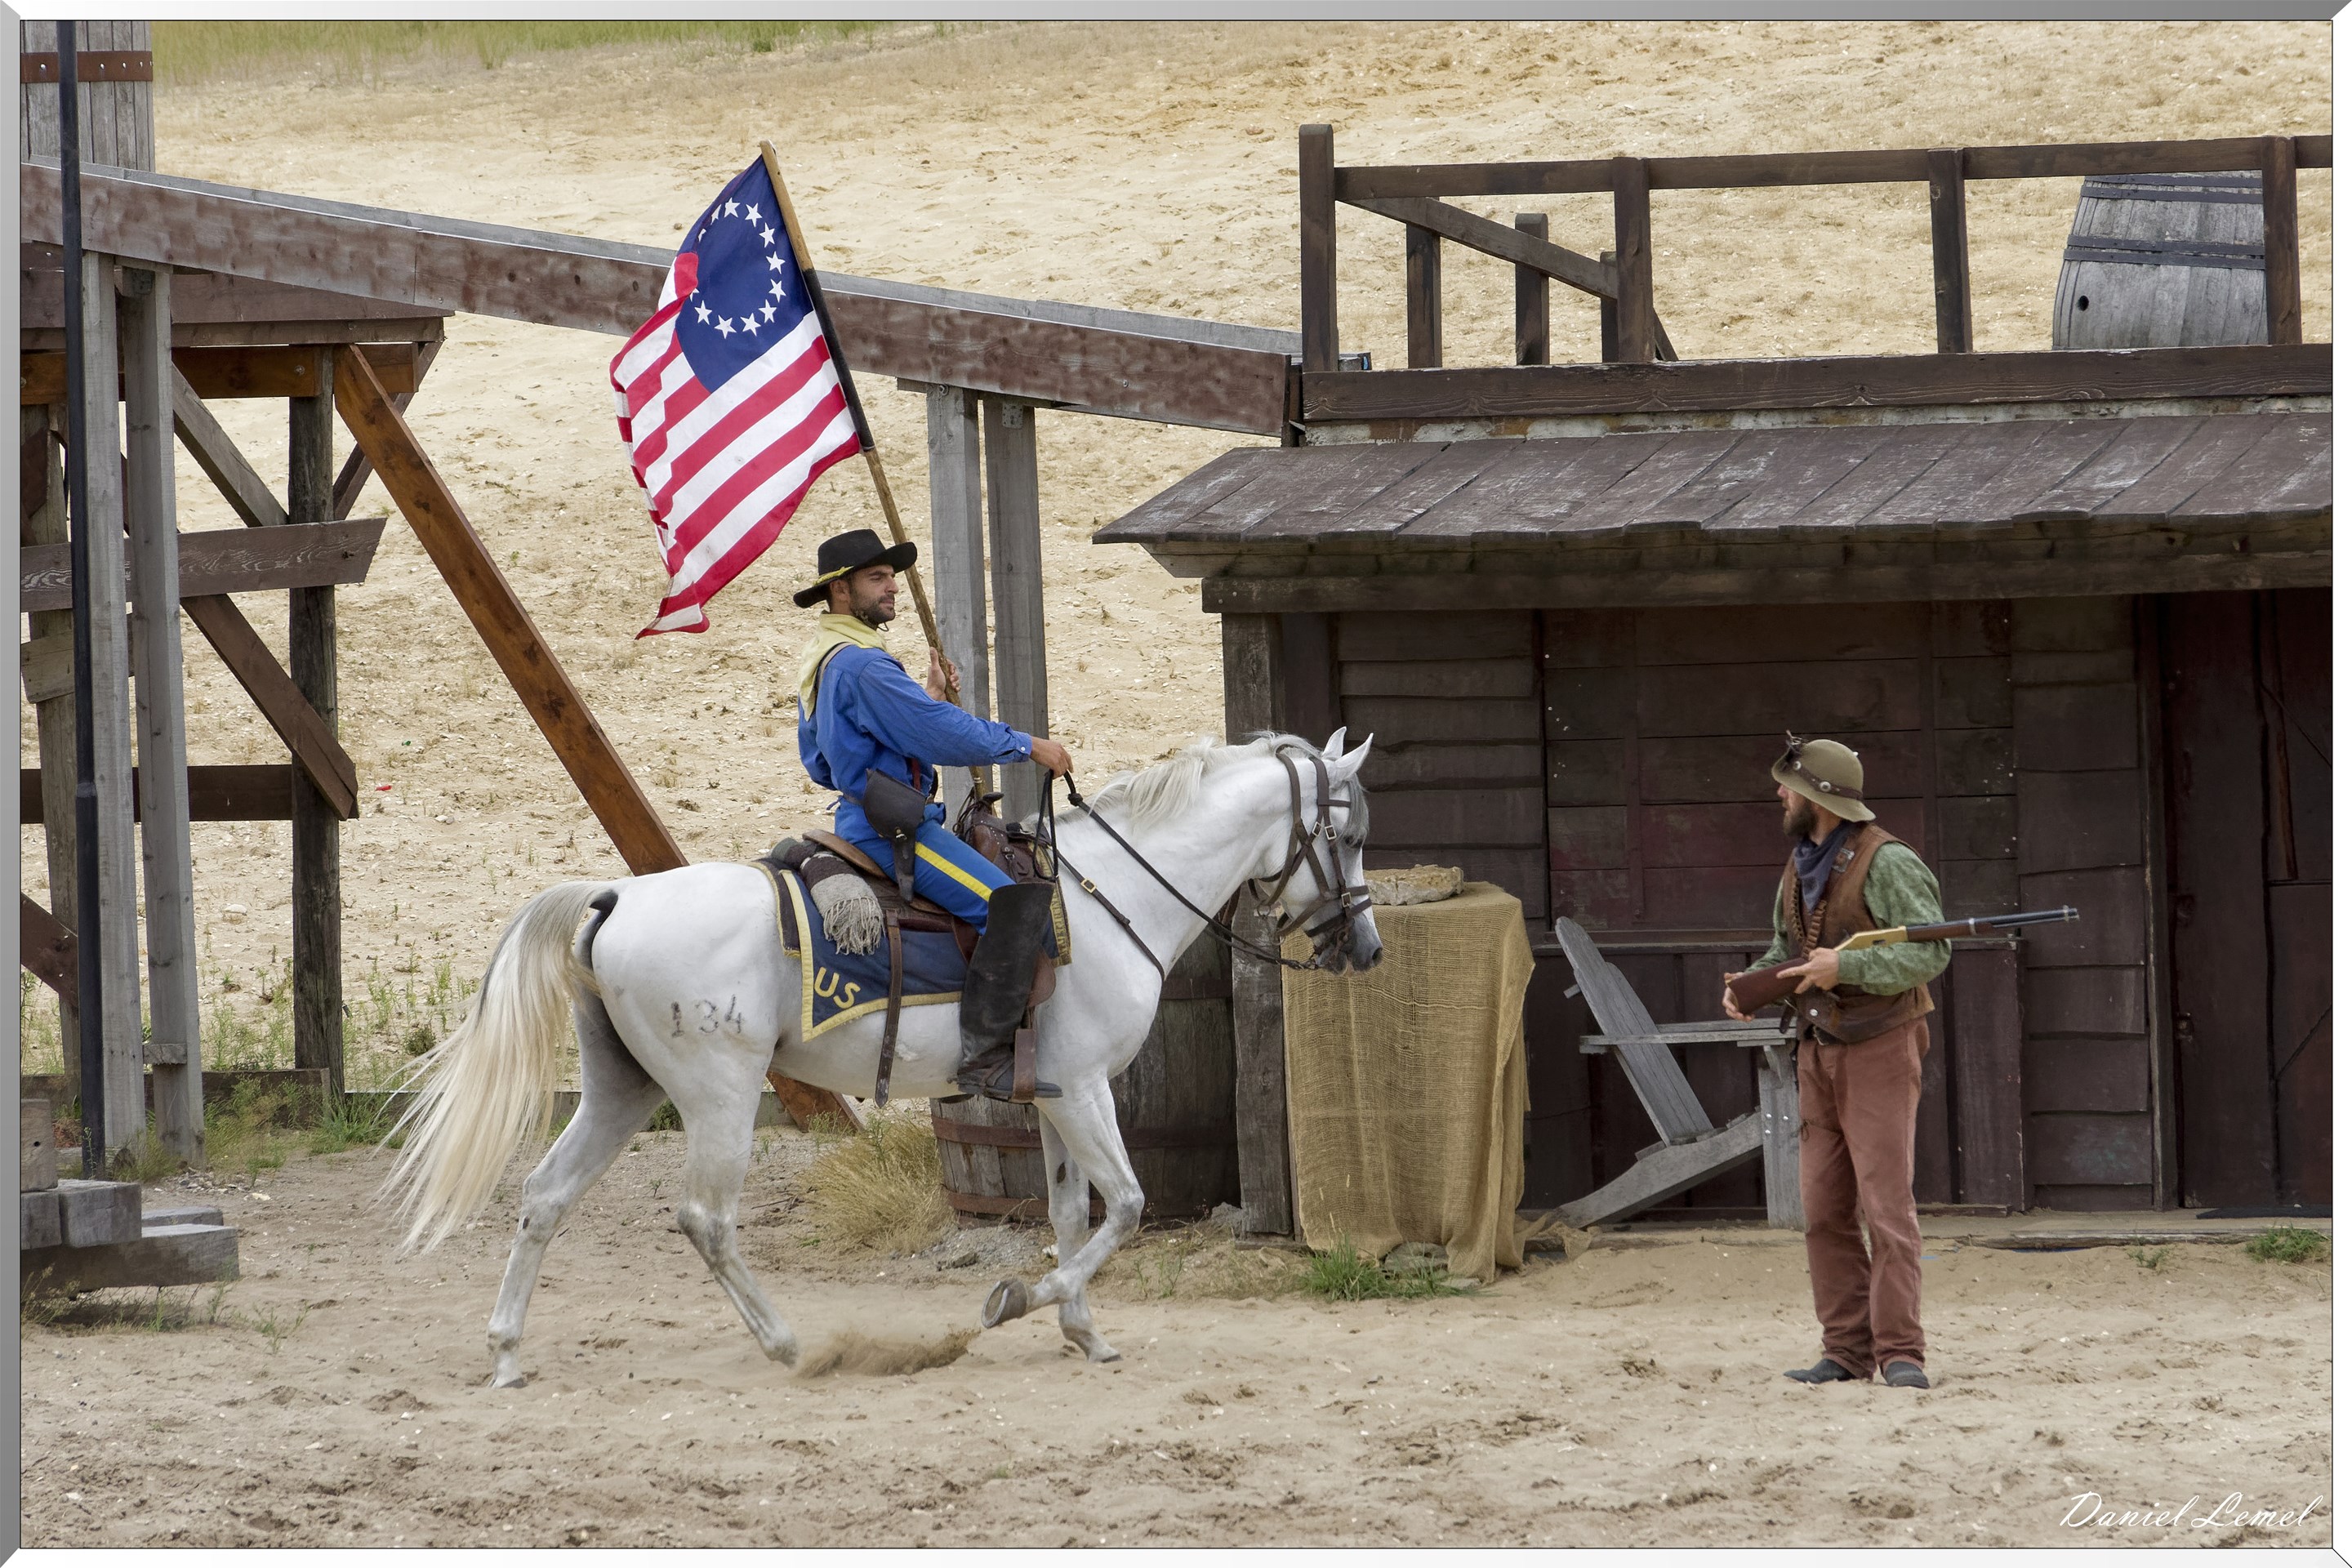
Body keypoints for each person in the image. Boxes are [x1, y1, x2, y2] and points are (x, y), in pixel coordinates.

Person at [792, 528, 1074, 1102]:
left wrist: (922, 699)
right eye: (877, 578)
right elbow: (941, 735)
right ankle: (984, 1061)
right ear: (841, 591)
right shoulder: (864, 667)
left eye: (892, 577)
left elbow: (820, 761)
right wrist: (1025, 745)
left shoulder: (825, 662)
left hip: (861, 818)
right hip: (892, 833)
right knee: (1012, 909)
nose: (892, 587)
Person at [1721, 735, 1949, 1392]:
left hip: (1879, 1045)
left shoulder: (1890, 861)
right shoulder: (1800, 864)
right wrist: (1751, 987)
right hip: (1817, 1050)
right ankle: (1845, 1353)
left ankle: (1901, 1352)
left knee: (1886, 1208)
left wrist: (1845, 966)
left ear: (1817, 795)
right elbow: (1782, 950)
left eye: (1788, 787)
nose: (1779, 795)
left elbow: (1931, 953)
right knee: (1822, 1209)